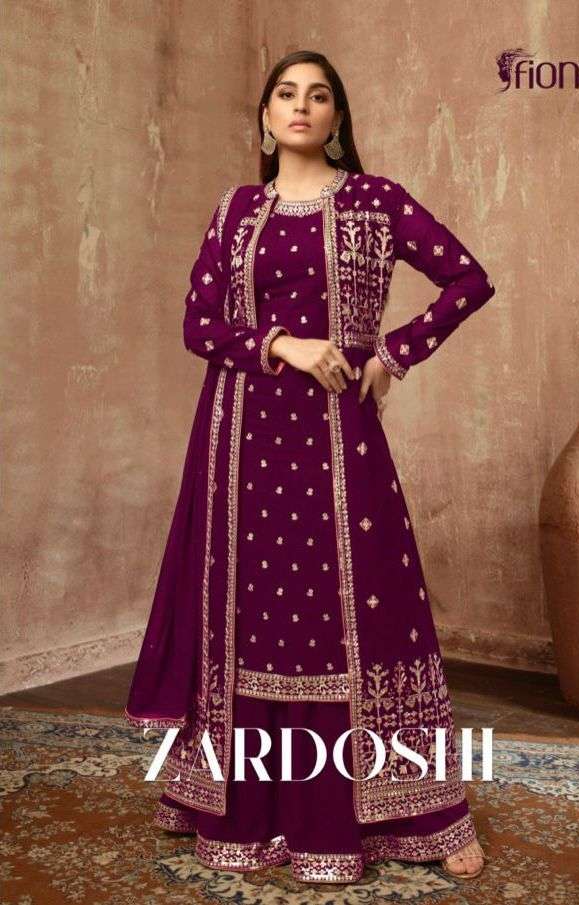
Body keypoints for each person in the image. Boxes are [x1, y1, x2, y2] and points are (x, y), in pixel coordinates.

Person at [125, 49, 495, 885]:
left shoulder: (376, 201)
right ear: (265, 116)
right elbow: (198, 324)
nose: (301, 105)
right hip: (241, 442)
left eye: (318, 95)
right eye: (285, 93)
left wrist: (392, 354)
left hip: (340, 438)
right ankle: (246, 808)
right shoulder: (236, 211)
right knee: (252, 619)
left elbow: (467, 280)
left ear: (337, 118)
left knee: (366, 612)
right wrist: (282, 344)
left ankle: (419, 808)